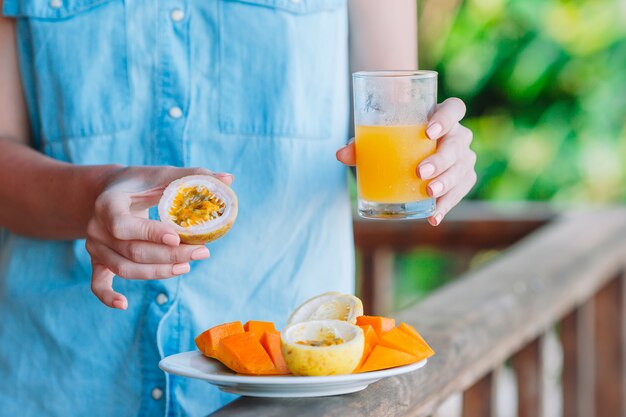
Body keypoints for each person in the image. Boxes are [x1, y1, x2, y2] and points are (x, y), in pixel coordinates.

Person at [0, 0, 476, 415]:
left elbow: (389, 115)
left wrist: (433, 161)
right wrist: (94, 194)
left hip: (289, 386)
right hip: (62, 376)